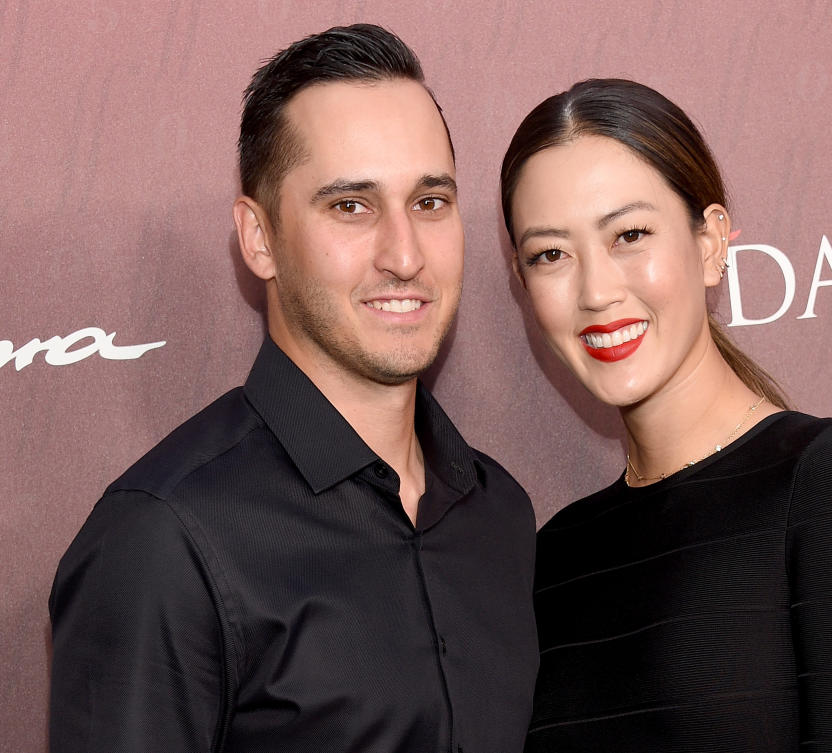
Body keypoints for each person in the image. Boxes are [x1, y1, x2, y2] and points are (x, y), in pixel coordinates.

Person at [49, 24, 538, 753]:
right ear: (259, 237)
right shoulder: (164, 539)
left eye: (430, 202)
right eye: (351, 206)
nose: (404, 254)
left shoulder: (499, 512)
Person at [500, 78, 832, 752]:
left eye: (630, 234)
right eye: (551, 254)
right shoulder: (555, 555)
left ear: (710, 242)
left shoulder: (828, 479)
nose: (597, 290)